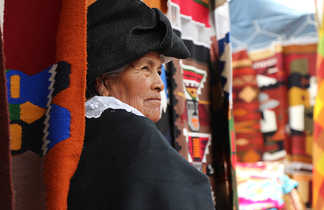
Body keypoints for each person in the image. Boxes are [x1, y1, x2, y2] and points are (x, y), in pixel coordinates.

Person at [67, 0, 215, 209]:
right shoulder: (134, 134)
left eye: (158, 71)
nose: (159, 85)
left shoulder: (85, 131)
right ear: (104, 83)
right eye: (145, 68)